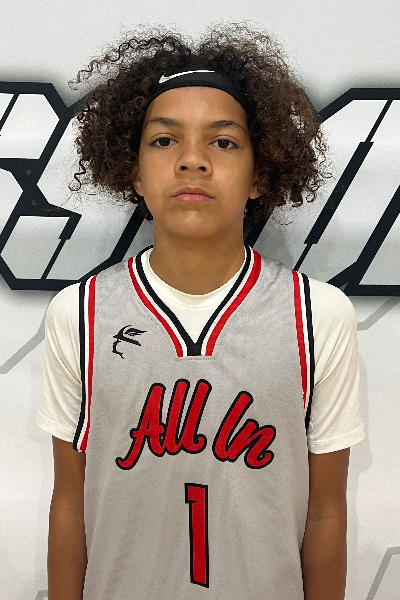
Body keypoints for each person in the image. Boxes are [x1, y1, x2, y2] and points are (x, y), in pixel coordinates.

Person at [36, 23, 365, 600]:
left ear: (260, 173)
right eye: (165, 140)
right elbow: (69, 504)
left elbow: (325, 512)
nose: (193, 161)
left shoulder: (318, 315)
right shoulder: (79, 313)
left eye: (224, 142)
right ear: (134, 171)